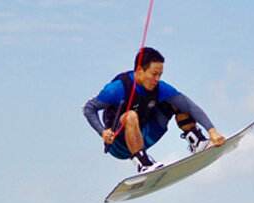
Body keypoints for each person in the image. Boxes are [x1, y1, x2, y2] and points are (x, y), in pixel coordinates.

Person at [83, 47, 226, 173]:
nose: (157, 79)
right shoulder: (117, 88)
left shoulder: (159, 87)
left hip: (145, 135)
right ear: (139, 70)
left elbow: (189, 106)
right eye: (154, 74)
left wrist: (212, 131)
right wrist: (102, 131)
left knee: (176, 102)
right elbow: (89, 108)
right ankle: (142, 163)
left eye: (160, 75)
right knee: (130, 116)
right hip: (119, 145)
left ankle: (197, 142)